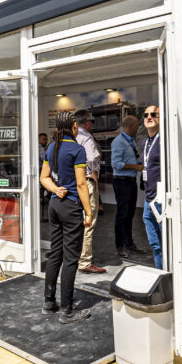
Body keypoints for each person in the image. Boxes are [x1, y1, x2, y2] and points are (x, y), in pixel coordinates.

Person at [40, 111, 94, 323]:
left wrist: (55, 189)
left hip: (54, 205)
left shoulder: (52, 147)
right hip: (71, 208)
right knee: (71, 259)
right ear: (72, 127)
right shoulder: (77, 149)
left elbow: (44, 178)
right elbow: (81, 184)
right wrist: (88, 212)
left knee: (56, 254)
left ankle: (49, 302)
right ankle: (68, 311)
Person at [74, 109, 107, 275]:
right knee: (88, 220)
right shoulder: (86, 137)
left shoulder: (67, 136)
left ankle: (74, 257)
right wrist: (93, 173)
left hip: (71, 183)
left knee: (74, 221)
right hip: (85, 181)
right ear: (87, 123)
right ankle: (85, 261)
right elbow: (93, 158)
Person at [110, 114, 143, 257]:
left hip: (130, 182)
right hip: (122, 182)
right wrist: (135, 167)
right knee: (122, 215)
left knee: (130, 215)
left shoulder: (130, 141)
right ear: (131, 126)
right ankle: (119, 246)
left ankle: (129, 243)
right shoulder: (119, 142)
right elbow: (115, 164)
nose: (138, 128)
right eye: (137, 125)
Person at [140, 104, 163, 269]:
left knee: (168, 243)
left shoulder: (164, 141)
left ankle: (173, 280)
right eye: (146, 114)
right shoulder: (144, 143)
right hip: (149, 200)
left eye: (154, 114)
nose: (149, 117)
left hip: (162, 200)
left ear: (161, 118)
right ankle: (160, 275)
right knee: (155, 244)